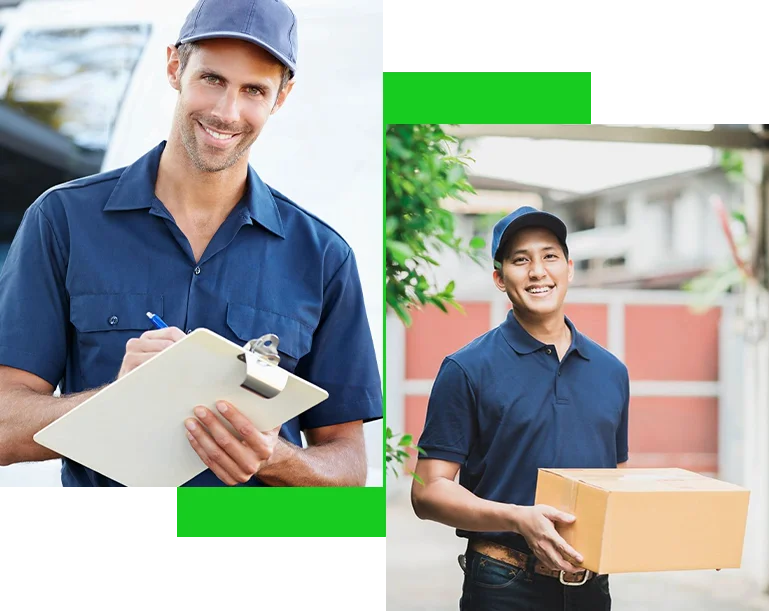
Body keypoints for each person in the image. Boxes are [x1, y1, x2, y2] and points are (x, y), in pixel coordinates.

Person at [0, 0, 382, 488]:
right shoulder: (62, 222)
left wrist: (274, 457)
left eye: (254, 90)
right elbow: (4, 426)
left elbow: (348, 467)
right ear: (175, 66)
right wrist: (115, 400)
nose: (227, 112)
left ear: (280, 98)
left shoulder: (323, 256)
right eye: (212, 79)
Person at [410, 206, 630, 610]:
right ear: (499, 278)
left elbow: (614, 478)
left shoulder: (611, 372)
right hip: (505, 583)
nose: (537, 271)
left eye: (549, 256)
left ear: (569, 268)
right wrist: (517, 517)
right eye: (520, 260)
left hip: (591, 585)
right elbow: (427, 491)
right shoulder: (466, 368)